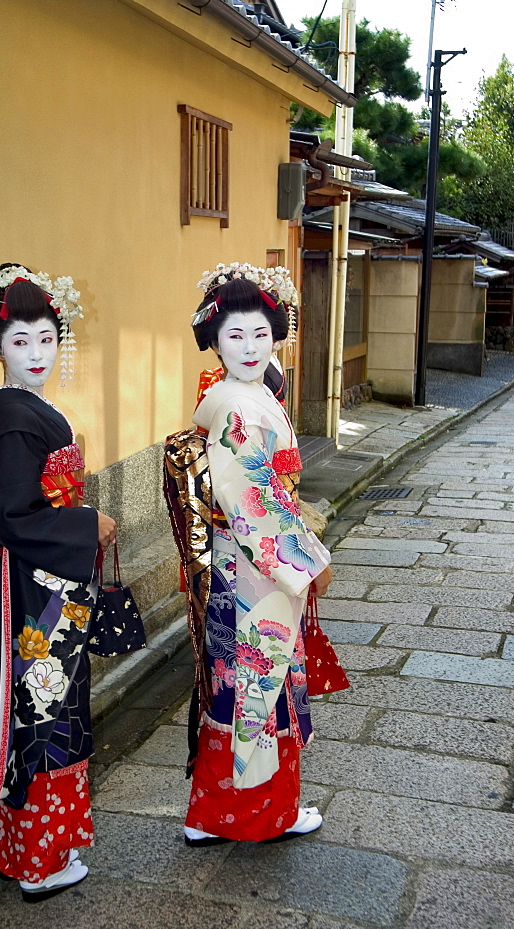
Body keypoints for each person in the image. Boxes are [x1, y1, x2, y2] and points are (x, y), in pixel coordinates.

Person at [0, 264, 116, 901]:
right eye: (20, 342)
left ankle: (27, 850)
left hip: (46, 585)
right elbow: (14, 517)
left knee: (46, 709)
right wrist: (88, 523)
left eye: (46, 339)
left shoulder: (25, 412)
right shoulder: (13, 423)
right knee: (42, 713)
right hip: (35, 592)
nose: (37, 354)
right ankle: (38, 859)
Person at [164, 263, 333, 845]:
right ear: (213, 342)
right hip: (254, 566)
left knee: (238, 682)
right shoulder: (239, 409)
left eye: (261, 332)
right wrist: (306, 560)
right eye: (235, 335)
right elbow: (251, 502)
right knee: (259, 682)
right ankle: (260, 815)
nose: (250, 345)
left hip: (239, 562)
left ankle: (209, 815)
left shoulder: (247, 393)